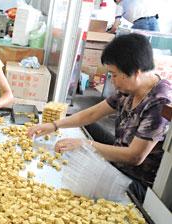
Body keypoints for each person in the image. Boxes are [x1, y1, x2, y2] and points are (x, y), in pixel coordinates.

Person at [28, 33, 171, 203]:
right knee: (88, 126)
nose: (111, 81)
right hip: (121, 150)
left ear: (136, 72)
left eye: (114, 75)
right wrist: (54, 125)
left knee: (82, 175)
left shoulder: (159, 102)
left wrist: (87, 145)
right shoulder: (129, 90)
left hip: (137, 179)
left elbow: (135, 157)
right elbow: (92, 114)